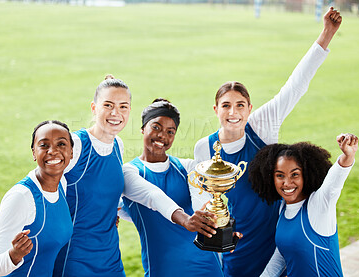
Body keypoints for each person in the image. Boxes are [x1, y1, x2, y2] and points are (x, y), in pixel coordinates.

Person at [193, 7, 342, 277]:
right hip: (236, 246)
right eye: (226, 105)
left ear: (250, 108)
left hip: (276, 243)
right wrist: (214, 223)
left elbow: (295, 86)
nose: (233, 113)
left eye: (240, 105)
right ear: (215, 109)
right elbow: (204, 198)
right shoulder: (204, 148)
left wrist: (326, 35)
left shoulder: (261, 125)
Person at [53, 76, 198, 277]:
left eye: (123, 106)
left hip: (110, 257)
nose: (116, 113)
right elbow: (42, 188)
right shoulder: (76, 144)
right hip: (74, 257)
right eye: (108, 105)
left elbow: (108, 193)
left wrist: (116, 209)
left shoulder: (117, 146)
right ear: (94, 108)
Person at [121, 98, 238, 277]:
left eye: (170, 131)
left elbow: (202, 203)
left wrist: (220, 231)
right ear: (143, 128)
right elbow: (153, 196)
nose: (162, 136)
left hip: (207, 266)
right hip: (164, 269)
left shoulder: (188, 168)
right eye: (156, 127)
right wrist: (186, 220)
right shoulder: (130, 172)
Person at [249, 133, 358, 276]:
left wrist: (347, 156)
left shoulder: (318, 205)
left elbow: (333, 186)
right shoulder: (283, 208)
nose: (287, 183)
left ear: (305, 174)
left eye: (294, 174)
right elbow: (281, 256)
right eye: (280, 175)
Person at [0, 120, 74, 276]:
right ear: (34, 152)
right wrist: (14, 254)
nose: (53, 151)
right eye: (44, 145)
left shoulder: (62, 184)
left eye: (61, 144)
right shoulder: (21, 197)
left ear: (71, 152)